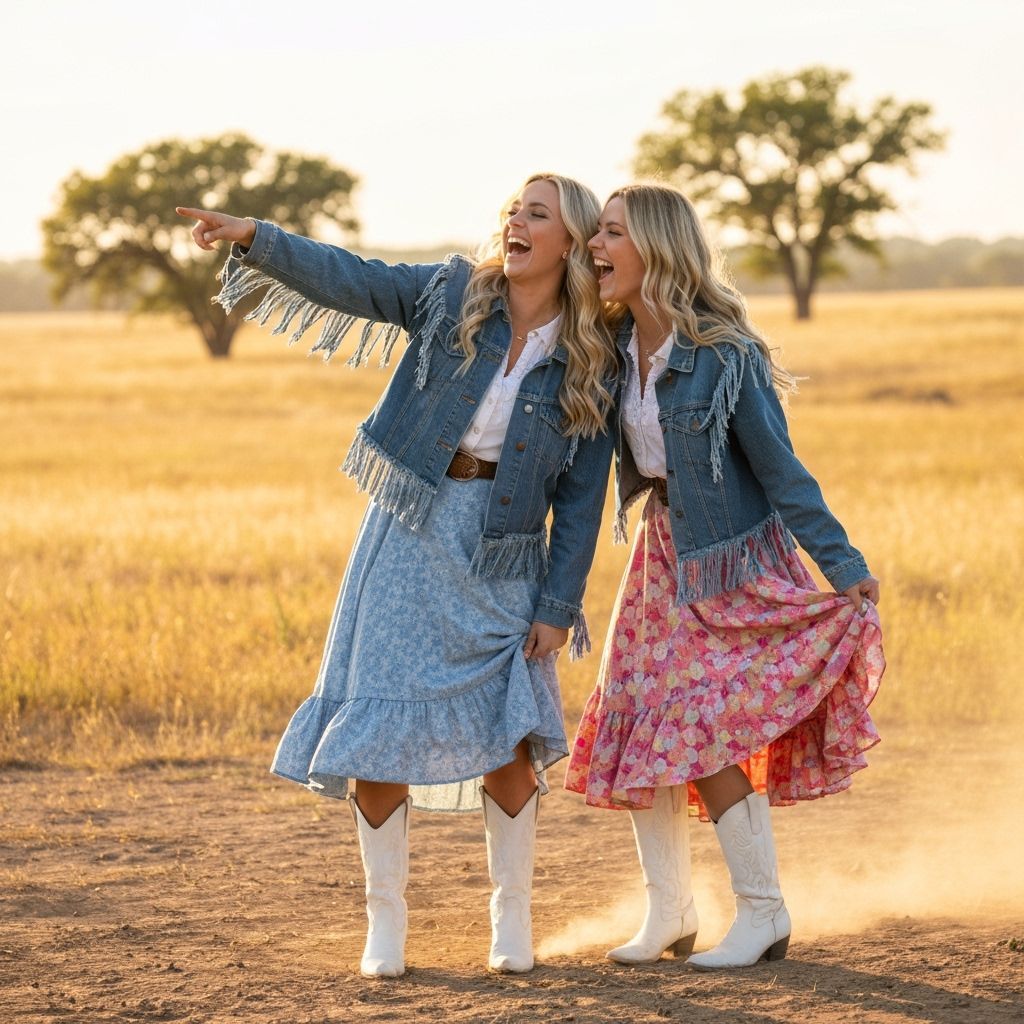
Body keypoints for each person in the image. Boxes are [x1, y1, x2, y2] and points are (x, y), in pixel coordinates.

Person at [177, 173, 617, 978]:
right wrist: (254, 236)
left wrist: (559, 603)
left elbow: (584, 503)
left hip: (504, 554)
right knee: (376, 729)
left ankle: (509, 919)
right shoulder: (453, 295)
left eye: (537, 214)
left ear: (569, 243)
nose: (515, 221)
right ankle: (386, 925)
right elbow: (355, 279)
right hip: (410, 527)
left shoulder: (593, 357)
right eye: (513, 210)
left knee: (510, 736)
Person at [564, 183, 885, 969]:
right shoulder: (609, 354)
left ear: (655, 248)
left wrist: (843, 565)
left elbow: (781, 470)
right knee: (639, 724)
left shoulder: (724, 356)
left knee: (702, 731)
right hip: (659, 558)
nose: (594, 248)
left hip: (730, 561)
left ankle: (763, 913)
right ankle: (671, 912)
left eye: (610, 234)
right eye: (595, 233)